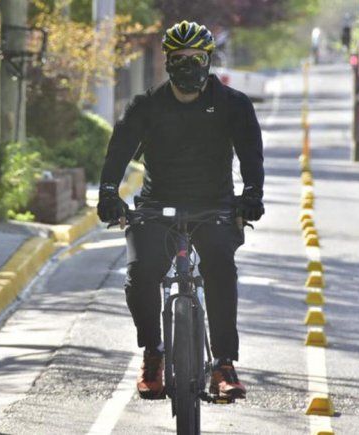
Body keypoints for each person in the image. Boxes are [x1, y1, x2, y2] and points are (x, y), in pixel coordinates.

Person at [97, 20, 265, 401]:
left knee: (221, 267)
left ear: (208, 60)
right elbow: (118, 151)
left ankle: (223, 363)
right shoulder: (147, 106)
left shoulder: (233, 105)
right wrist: (108, 192)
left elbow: (251, 156)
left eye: (197, 58)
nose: (188, 66)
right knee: (141, 273)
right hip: (157, 206)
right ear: (168, 62)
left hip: (215, 206)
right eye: (179, 59)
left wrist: (252, 195)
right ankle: (153, 354)